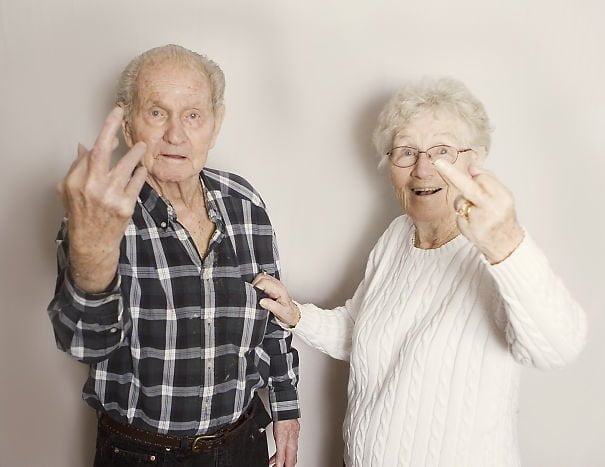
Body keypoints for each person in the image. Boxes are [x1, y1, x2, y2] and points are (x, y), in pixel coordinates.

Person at [252, 77, 587, 467]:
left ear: (476, 160)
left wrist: (504, 242)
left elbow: (558, 346)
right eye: (407, 152)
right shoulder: (397, 236)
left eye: (443, 151)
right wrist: (297, 315)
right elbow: (360, 335)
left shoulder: (497, 252)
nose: (423, 169)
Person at [47, 44, 300, 467]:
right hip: (141, 454)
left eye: (193, 115)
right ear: (128, 126)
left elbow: (273, 319)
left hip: (243, 444)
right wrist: (93, 249)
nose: (176, 135)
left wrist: (287, 407)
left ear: (215, 125)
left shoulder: (244, 201)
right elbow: (83, 343)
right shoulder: (101, 213)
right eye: (157, 113)